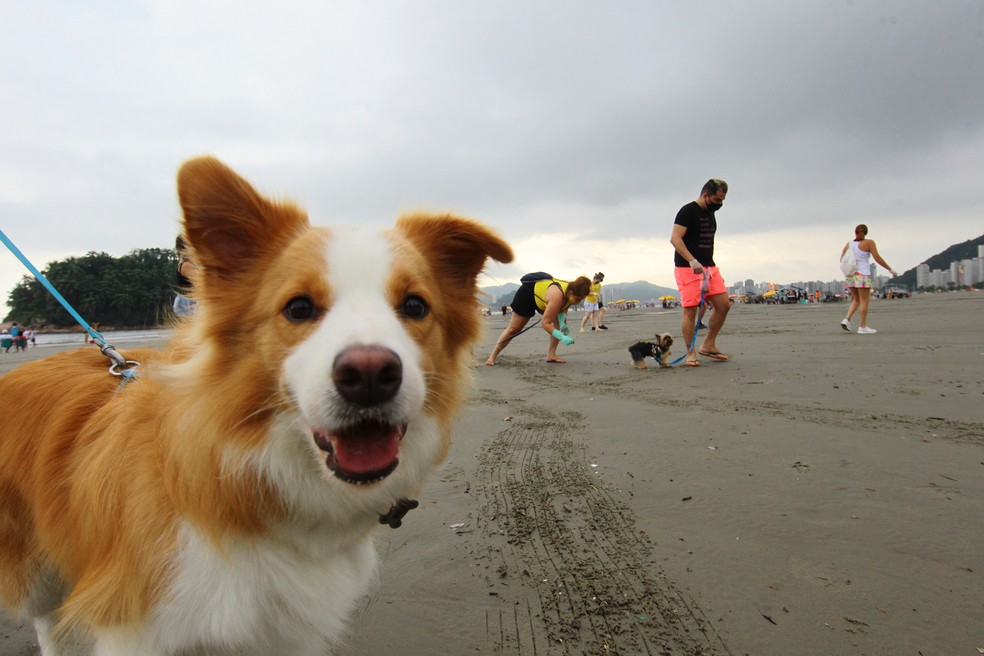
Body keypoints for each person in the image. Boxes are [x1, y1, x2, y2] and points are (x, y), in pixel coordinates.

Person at [669, 178, 732, 367]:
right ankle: (690, 353)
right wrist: (692, 260)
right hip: (687, 268)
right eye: (717, 200)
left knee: (724, 305)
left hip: (709, 267)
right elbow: (675, 238)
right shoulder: (687, 211)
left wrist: (705, 265)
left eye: (722, 200)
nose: (719, 204)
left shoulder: (710, 213)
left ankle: (709, 344)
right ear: (706, 195)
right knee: (690, 310)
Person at [486, 274, 592, 365]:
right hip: (527, 295)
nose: (579, 302)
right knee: (514, 329)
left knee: (559, 324)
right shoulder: (557, 296)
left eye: (581, 300)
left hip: (543, 300)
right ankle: (492, 356)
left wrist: (562, 324)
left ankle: (551, 355)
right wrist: (562, 337)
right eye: (578, 299)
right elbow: (545, 323)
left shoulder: (571, 294)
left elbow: (563, 310)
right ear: (571, 293)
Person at [840, 224, 898, 334]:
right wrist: (890, 269)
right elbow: (877, 258)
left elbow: (842, 259)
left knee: (856, 299)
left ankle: (847, 319)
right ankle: (862, 327)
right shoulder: (869, 242)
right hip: (862, 274)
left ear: (855, 232)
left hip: (850, 275)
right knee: (864, 301)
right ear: (866, 232)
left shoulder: (849, 244)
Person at [172, 235, 197, 317]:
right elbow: (199, 283)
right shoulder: (186, 265)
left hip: (187, 301)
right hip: (188, 302)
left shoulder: (186, 263)